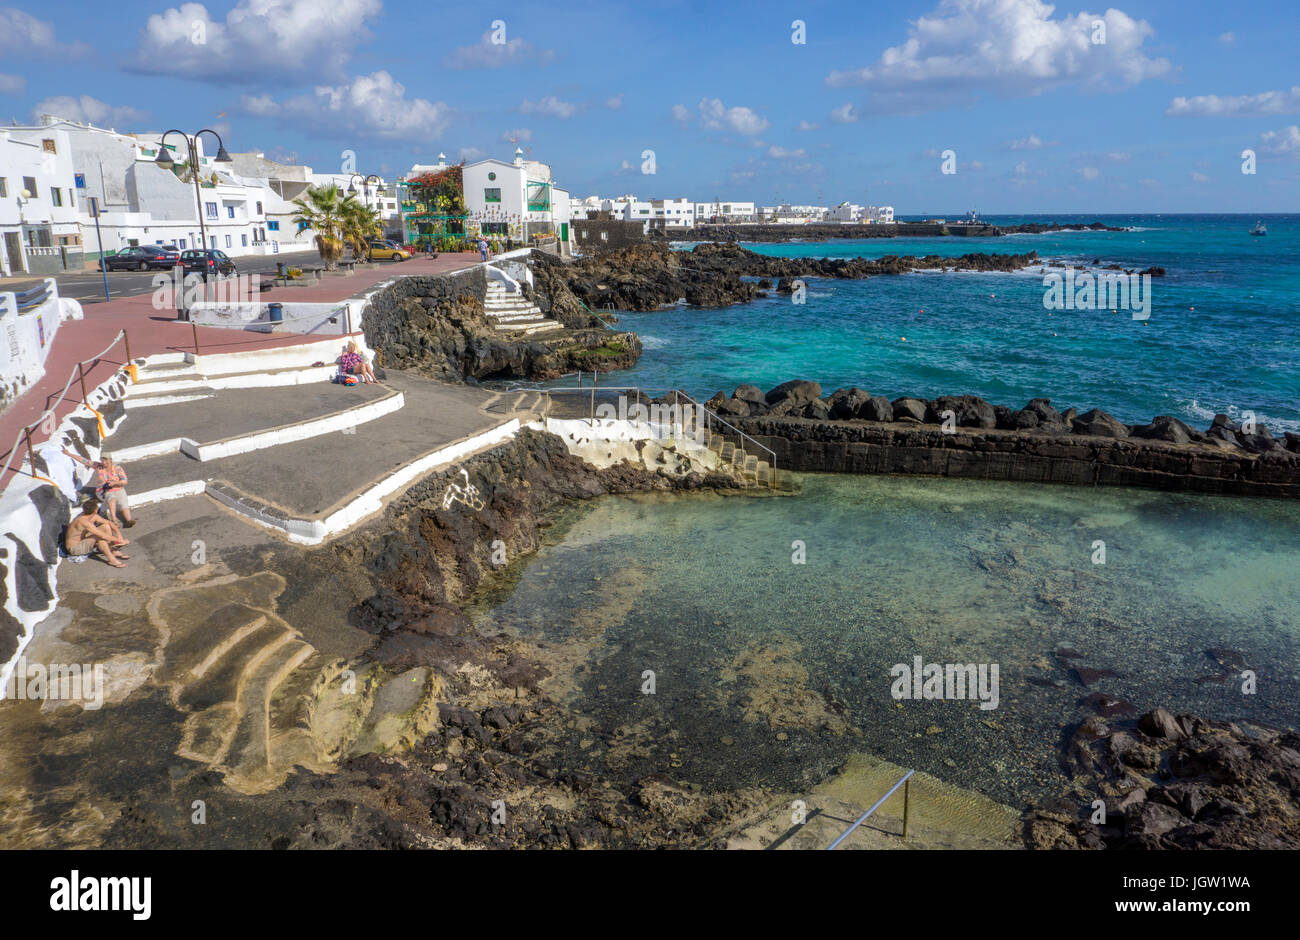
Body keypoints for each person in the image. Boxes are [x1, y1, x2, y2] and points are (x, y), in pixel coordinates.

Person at [64, 449, 135, 527]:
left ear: (110, 460)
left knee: (123, 504)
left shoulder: (117, 468)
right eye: (102, 460)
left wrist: (115, 483)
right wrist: (69, 454)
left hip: (118, 488)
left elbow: (125, 481)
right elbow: (84, 460)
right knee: (112, 499)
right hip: (104, 491)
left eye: (106, 460)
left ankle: (129, 520)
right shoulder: (98, 466)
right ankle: (114, 520)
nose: (104, 462)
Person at [64, 498, 129, 567]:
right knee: (98, 536)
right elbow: (102, 535)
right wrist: (119, 540)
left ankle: (112, 550)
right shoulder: (83, 521)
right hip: (75, 548)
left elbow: (109, 523)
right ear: (95, 510)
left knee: (106, 526)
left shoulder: (92, 516)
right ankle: (111, 559)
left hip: (83, 540)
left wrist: (119, 534)